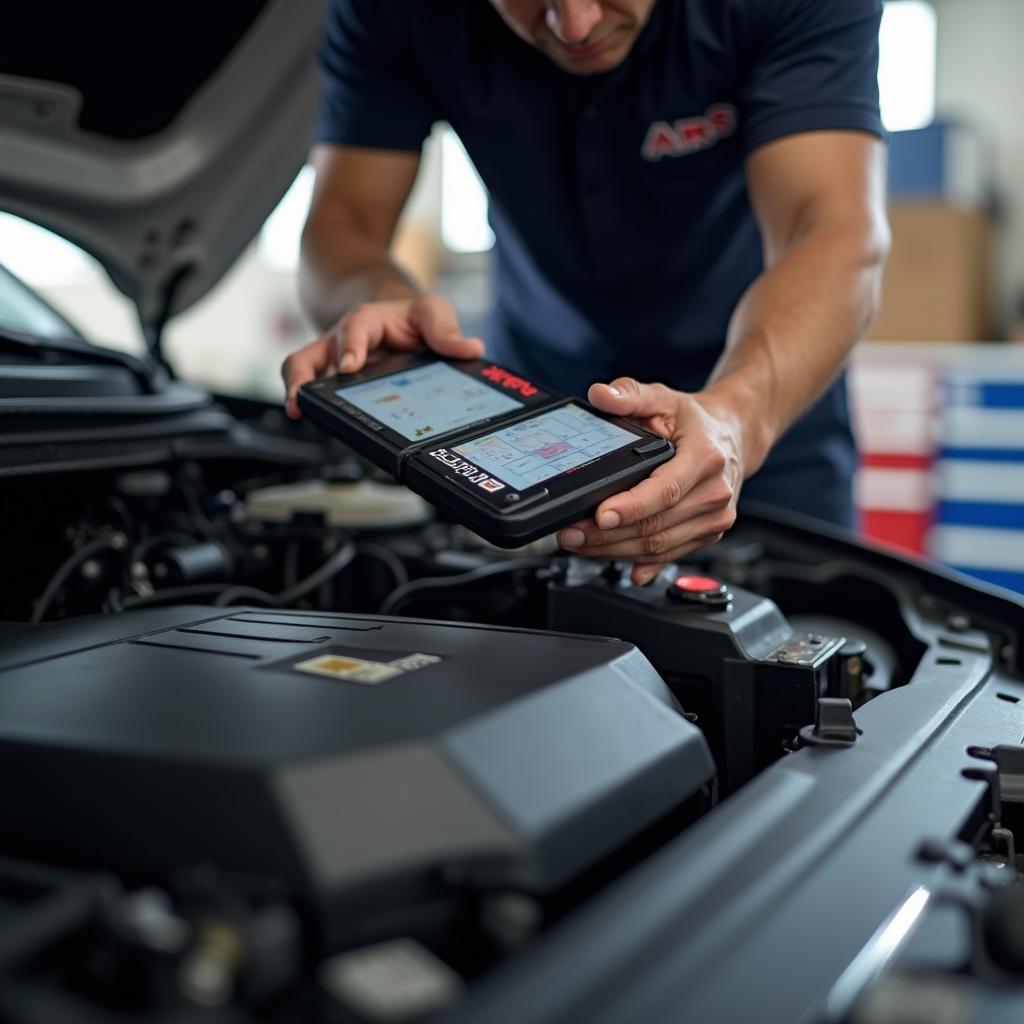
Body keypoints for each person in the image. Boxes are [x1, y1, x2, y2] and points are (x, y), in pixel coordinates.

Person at [281, 0, 890, 585]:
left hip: (761, 399)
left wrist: (739, 417)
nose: (575, 24)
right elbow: (342, 226)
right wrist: (379, 296)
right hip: (525, 410)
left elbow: (833, 229)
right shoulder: (393, 8)